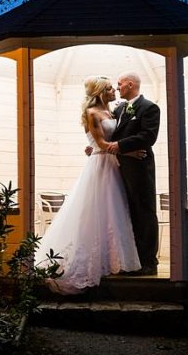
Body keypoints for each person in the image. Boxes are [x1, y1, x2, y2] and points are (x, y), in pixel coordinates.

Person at [34, 76, 145, 295]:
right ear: (102, 91)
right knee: (95, 212)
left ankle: (114, 259)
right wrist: (129, 151)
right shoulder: (92, 113)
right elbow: (101, 143)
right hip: (100, 164)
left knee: (114, 212)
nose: (114, 90)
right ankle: (87, 260)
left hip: (113, 164)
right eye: (110, 88)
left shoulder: (114, 112)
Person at [105, 71, 161, 275]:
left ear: (130, 85)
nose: (117, 87)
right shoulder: (119, 109)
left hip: (139, 169)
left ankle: (148, 262)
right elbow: (108, 135)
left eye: (119, 84)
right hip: (119, 168)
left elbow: (148, 136)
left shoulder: (149, 108)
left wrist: (120, 145)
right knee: (126, 214)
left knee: (143, 213)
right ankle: (130, 260)